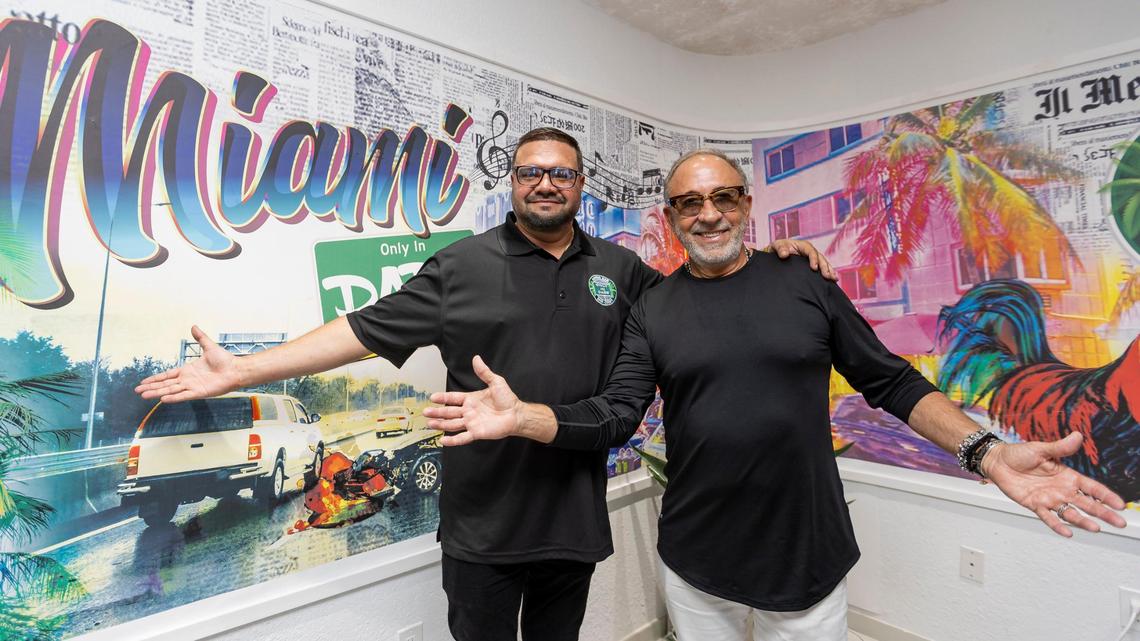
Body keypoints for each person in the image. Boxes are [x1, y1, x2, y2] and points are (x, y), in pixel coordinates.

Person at [135, 129, 835, 641]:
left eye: (562, 172)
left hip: (572, 521)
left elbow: (703, 289)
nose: (546, 183)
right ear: (513, 182)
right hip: (482, 529)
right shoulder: (461, 267)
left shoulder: (622, 272)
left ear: (580, 186)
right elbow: (358, 328)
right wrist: (245, 369)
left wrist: (776, 258)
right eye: (532, 171)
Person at [422, 149, 1129, 641]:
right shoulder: (654, 306)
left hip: (807, 553)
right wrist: (526, 416)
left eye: (723, 197)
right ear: (671, 217)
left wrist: (987, 451)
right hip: (697, 559)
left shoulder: (804, 281)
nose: (708, 214)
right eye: (690, 202)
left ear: (746, 206)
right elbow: (613, 413)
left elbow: (889, 378)